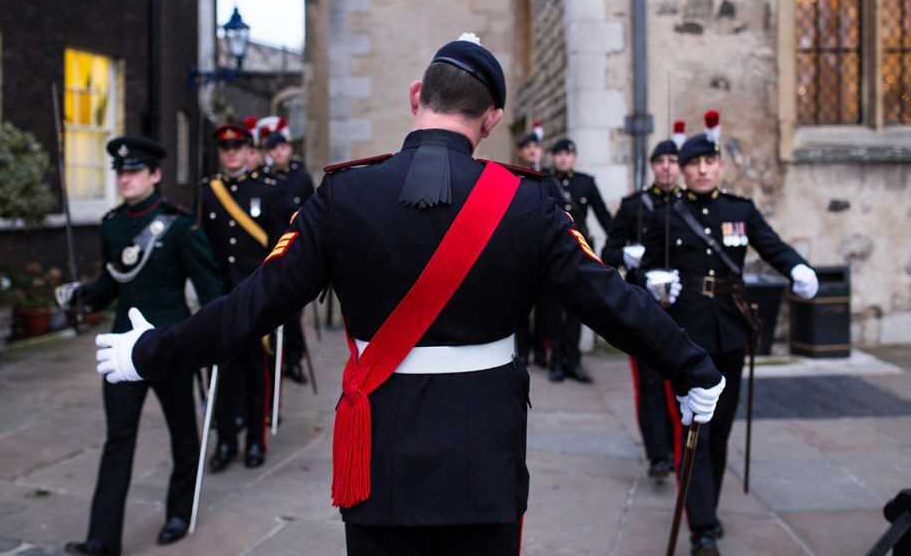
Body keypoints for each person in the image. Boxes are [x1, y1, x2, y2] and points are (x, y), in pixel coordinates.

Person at [93, 34, 725, 556]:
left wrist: (149, 353)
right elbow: (612, 302)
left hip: (380, 455)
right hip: (484, 460)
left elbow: (249, 308)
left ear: (417, 96)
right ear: (492, 119)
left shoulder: (342, 195)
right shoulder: (529, 203)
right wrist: (692, 366)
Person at [637, 112, 819, 556]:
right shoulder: (665, 213)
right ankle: (702, 528)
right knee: (695, 428)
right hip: (686, 334)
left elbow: (770, 243)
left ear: (720, 166)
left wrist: (796, 266)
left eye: (709, 162)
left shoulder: (740, 210)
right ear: (682, 168)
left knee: (718, 433)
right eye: (693, 162)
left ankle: (707, 511)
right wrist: (654, 279)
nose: (701, 169)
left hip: (732, 332)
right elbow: (639, 264)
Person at [57, 136, 221, 556]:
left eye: (134, 172)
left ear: (155, 175)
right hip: (121, 349)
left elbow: (209, 290)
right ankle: (102, 539)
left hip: (169, 346)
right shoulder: (113, 224)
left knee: (183, 433)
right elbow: (114, 282)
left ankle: (179, 513)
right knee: (118, 439)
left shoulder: (180, 225)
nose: (125, 179)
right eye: (121, 172)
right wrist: (85, 296)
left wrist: (215, 337)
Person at [199, 122, 284, 471]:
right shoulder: (207, 193)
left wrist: (276, 294)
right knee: (222, 372)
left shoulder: (266, 190)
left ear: (247, 150)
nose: (231, 153)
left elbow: (281, 245)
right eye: (225, 148)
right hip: (220, 297)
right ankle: (226, 442)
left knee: (254, 372)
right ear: (220, 153)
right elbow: (201, 247)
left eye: (237, 147)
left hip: (254, 297)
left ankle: (254, 442)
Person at [601, 137, 681, 480]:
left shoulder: (690, 206)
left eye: (672, 160)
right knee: (649, 381)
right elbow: (608, 252)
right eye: (660, 160)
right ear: (652, 166)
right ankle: (658, 454)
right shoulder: (635, 206)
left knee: (681, 380)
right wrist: (626, 256)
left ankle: (681, 446)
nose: (666, 166)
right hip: (646, 305)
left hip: (683, 305)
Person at [539, 138, 613, 383]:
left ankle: (574, 361)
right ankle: (557, 361)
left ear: (574, 157)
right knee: (552, 309)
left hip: (580, 251)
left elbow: (603, 215)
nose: (562, 158)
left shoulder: (586, 182)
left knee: (577, 309)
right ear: (553, 157)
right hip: (552, 251)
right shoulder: (544, 180)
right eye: (558, 154)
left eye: (567, 154)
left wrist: (619, 240)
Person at [265, 128, 315, 385]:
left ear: (290, 150)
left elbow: (312, 214)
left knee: (293, 311)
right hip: (269, 251)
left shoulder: (301, 180)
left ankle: (294, 360)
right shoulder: (264, 179)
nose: (279, 152)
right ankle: (274, 356)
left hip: (295, 252)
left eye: (282, 148)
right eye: (274, 149)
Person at [512, 123, 546, 367]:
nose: (532, 151)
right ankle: (522, 351)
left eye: (536, 146)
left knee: (545, 306)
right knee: (521, 305)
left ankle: (542, 353)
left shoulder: (548, 179)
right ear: (521, 152)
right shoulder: (513, 177)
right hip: (522, 250)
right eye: (527, 147)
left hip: (545, 250)